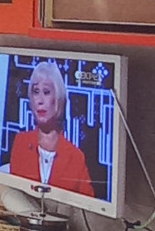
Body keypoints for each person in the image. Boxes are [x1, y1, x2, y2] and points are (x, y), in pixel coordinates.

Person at [7, 60, 95, 199]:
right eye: (36, 92)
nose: (40, 100)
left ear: (58, 98)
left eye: (46, 92)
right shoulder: (21, 142)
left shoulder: (76, 157)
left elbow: (89, 205)